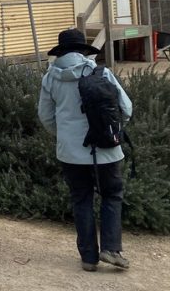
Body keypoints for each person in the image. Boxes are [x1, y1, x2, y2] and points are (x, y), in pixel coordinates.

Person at [37, 28, 133, 272]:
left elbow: (45, 116)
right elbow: (126, 108)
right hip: (107, 149)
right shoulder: (101, 72)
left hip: (70, 153)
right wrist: (113, 130)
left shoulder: (50, 78)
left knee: (81, 200)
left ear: (60, 51)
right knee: (112, 195)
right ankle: (111, 249)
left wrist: (65, 136)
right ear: (83, 50)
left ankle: (88, 258)